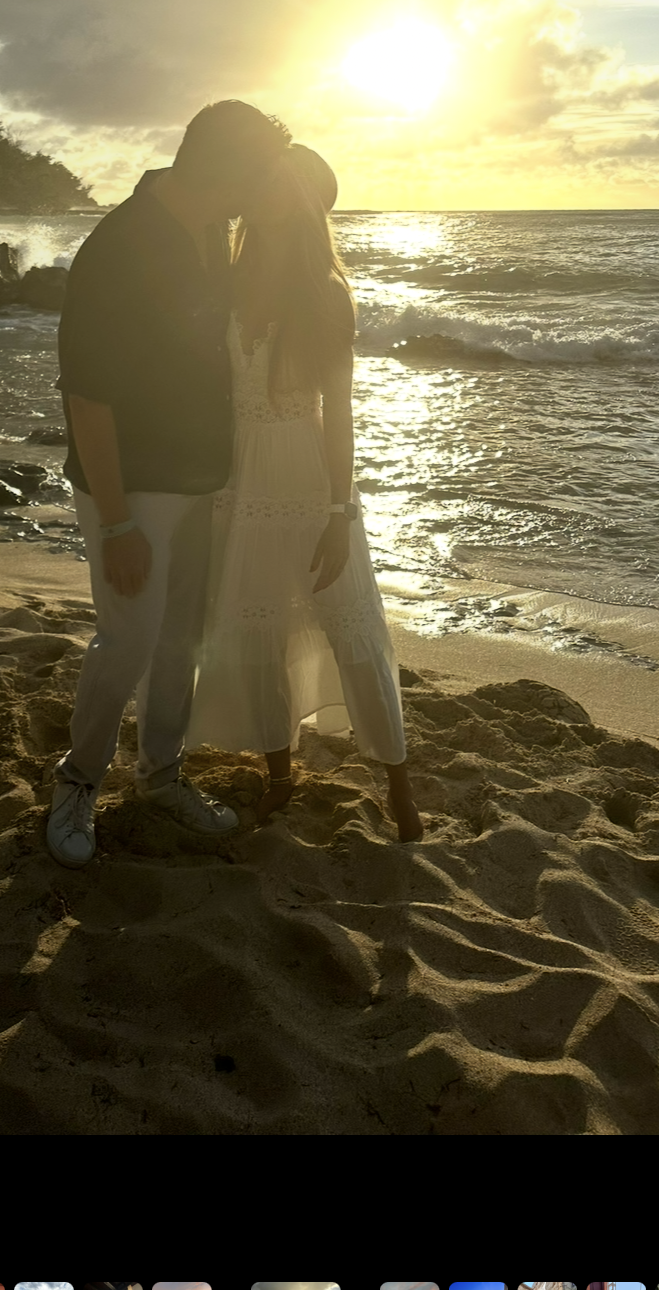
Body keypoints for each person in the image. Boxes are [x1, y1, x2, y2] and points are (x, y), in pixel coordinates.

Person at [46, 98, 293, 867]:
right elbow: (86, 392)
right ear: (219, 169)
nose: (257, 199)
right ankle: (78, 781)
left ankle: (161, 775)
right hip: (131, 484)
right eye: (254, 179)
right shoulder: (118, 245)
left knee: (182, 638)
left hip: (202, 477)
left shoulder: (213, 231)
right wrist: (116, 521)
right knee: (127, 639)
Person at [187, 145, 423, 842]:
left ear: (301, 202)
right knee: (255, 627)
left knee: (351, 626)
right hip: (235, 476)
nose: (262, 194)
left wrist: (338, 509)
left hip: (304, 474)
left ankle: (400, 785)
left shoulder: (323, 291)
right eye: (257, 180)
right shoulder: (226, 280)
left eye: (277, 185)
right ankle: (280, 775)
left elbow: (341, 410)